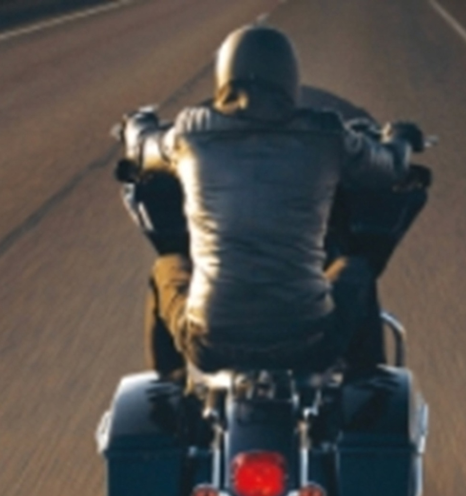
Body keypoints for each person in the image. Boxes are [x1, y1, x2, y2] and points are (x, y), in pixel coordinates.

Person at [119, 24, 424, 378]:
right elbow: (390, 167)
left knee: (166, 267)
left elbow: (141, 148)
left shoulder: (189, 132)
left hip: (209, 342)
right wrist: (401, 137)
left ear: (224, 75)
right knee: (355, 270)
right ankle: (366, 391)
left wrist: (136, 122)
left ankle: (169, 388)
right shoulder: (326, 133)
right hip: (309, 342)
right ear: (290, 79)